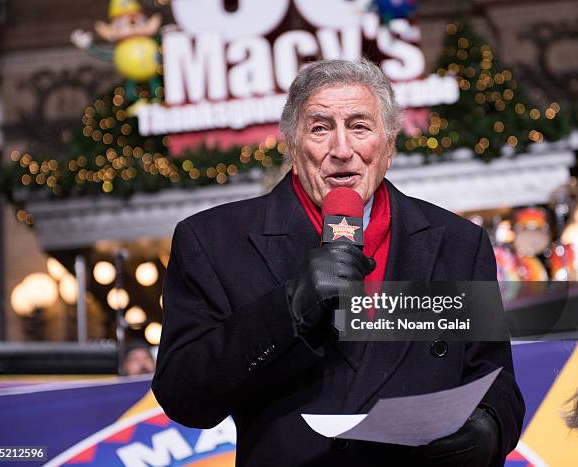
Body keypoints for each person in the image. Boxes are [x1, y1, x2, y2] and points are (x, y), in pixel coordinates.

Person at [152, 59, 524, 466]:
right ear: (293, 145)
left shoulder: (457, 243)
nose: (342, 150)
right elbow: (183, 396)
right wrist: (287, 309)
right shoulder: (214, 242)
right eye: (320, 128)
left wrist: (488, 428)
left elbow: (495, 380)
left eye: (360, 127)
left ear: (389, 145)